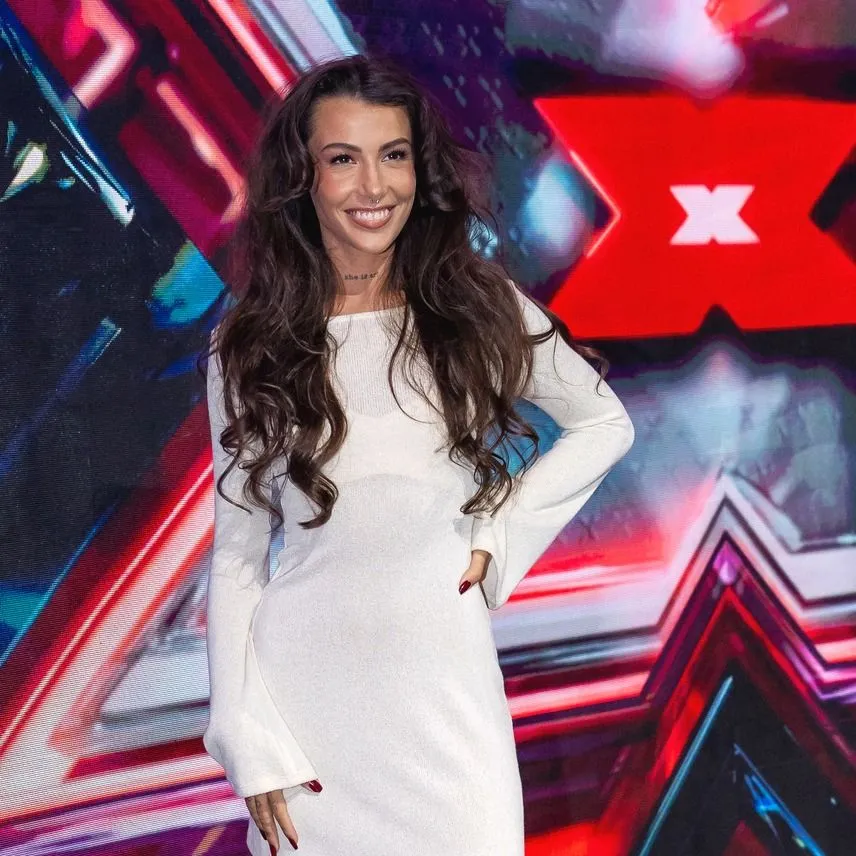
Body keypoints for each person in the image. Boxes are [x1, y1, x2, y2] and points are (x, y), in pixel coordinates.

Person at [201, 54, 634, 856]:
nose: (373, 186)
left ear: (419, 169)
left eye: (393, 155)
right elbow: (236, 554)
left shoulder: (474, 305)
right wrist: (242, 732)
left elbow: (603, 423)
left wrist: (499, 530)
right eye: (343, 159)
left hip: (448, 707)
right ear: (303, 177)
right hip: (305, 720)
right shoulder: (250, 341)